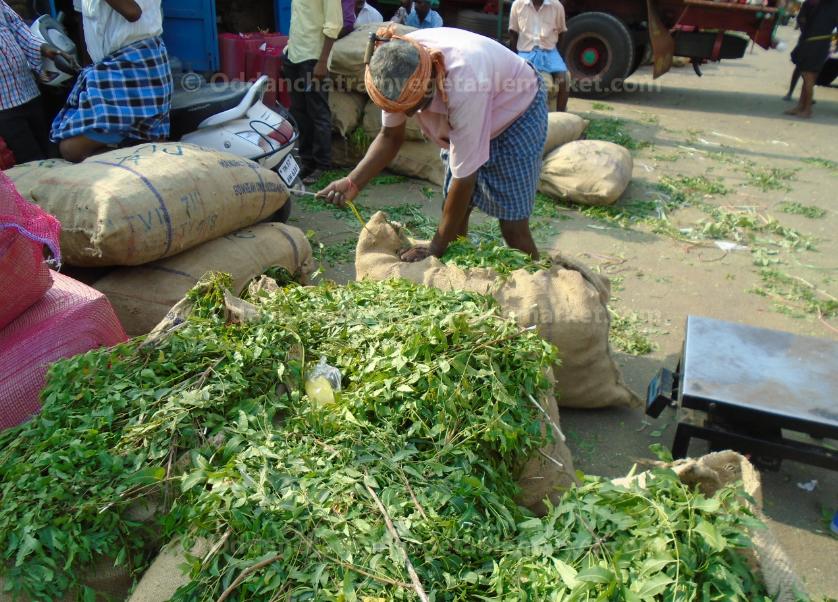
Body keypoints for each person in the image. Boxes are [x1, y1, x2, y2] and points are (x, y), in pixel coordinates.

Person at [318, 25, 547, 261]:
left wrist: (434, 249)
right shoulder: (395, 68)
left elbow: (464, 177)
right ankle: (461, 266)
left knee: (512, 226)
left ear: (429, 82)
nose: (407, 117)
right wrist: (352, 182)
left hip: (516, 110)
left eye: (413, 108)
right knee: (456, 217)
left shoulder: (464, 82)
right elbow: (389, 137)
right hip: (475, 99)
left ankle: (539, 279)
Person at [51, 0, 173, 163]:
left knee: (72, 148)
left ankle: (140, 163)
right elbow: (84, 22)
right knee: (142, 141)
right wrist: (88, 72)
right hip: (107, 69)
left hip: (137, 62)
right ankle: (140, 163)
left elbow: (132, 12)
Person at [283, 0, 342, 185]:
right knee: (299, 111)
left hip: (313, 57)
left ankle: (322, 165)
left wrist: (323, 61)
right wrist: (287, 50)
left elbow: (334, 25)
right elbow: (300, 19)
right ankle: (307, 161)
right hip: (294, 55)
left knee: (318, 112)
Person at [0, 0, 65, 163]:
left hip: (28, 90)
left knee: (51, 152)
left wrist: (44, 48)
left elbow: (21, 31)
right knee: (29, 161)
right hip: (4, 107)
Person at [509, 0, 570, 112]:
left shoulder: (556, 6)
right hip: (526, 51)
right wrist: (515, 57)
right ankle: (526, 113)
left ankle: (561, 115)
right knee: (532, 82)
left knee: (564, 79)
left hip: (550, 51)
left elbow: (562, 32)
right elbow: (513, 33)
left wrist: (557, 55)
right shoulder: (518, 5)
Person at [785, 0, 838, 117]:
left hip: (817, 42)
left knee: (809, 76)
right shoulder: (815, 4)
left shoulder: (831, 5)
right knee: (806, 76)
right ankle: (801, 106)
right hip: (811, 41)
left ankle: (807, 108)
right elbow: (802, 20)